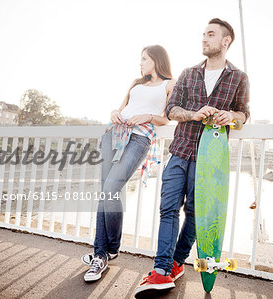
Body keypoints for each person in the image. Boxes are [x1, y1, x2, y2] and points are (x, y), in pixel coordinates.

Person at [134, 18, 250, 296]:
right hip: (180, 151)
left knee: (197, 216)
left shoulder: (238, 77)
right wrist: (192, 115)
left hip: (210, 158)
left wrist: (230, 116)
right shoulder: (187, 73)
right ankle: (161, 270)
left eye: (210, 34)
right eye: (203, 34)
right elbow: (172, 109)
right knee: (168, 209)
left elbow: (244, 114)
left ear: (226, 41)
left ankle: (176, 262)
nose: (204, 38)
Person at [82, 45, 176, 282]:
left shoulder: (169, 84)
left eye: (144, 59)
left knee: (111, 189)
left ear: (156, 59)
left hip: (140, 137)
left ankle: (105, 251)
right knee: (107, 192)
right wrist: (115, 111)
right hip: (113, 133)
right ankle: (103, 253)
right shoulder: (136, 83)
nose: (141, 63)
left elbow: (167, 117)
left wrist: (148, 117)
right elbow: (122, 107)